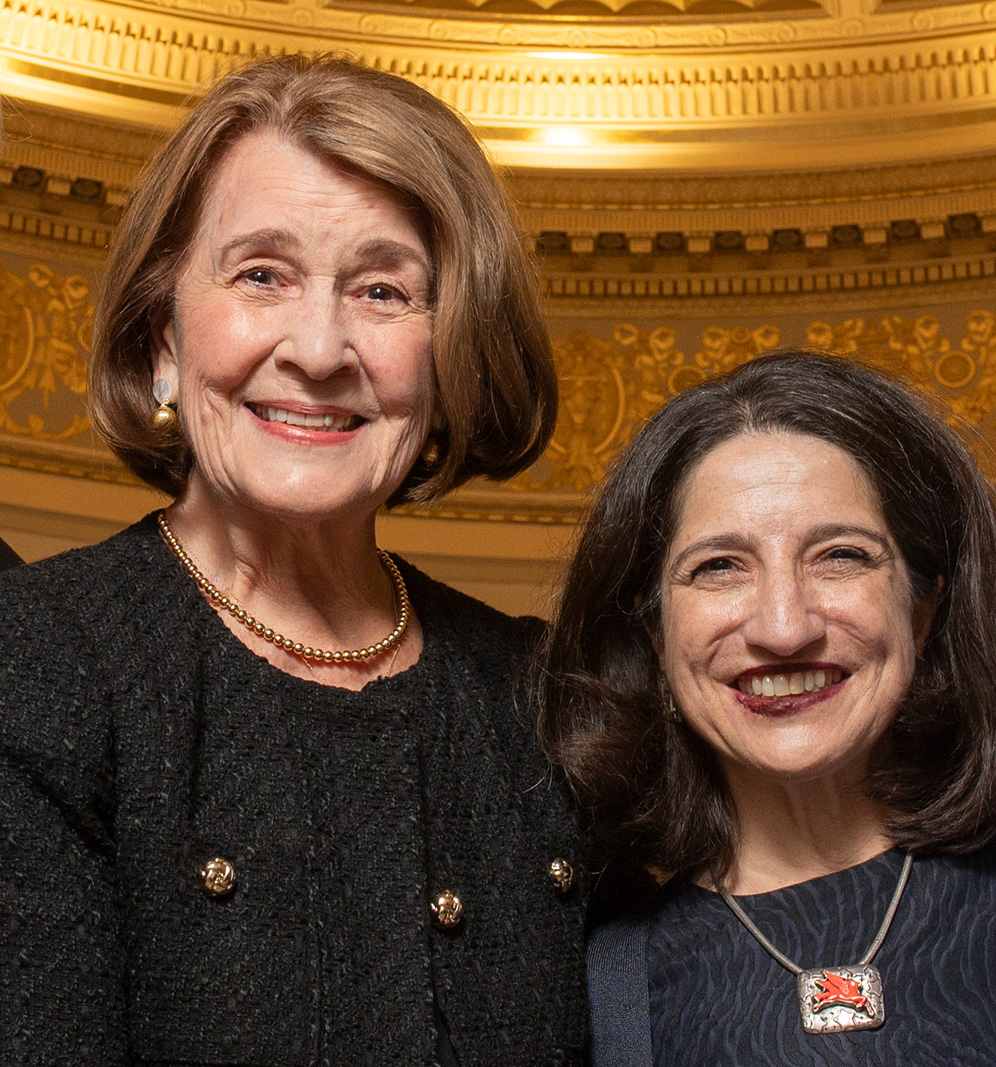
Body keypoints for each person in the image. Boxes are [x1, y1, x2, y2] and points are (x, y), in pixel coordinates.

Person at [0, 54, 586, 1065]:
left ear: (450, 362)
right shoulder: (42, 658)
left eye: (382, 289)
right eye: (261, 273)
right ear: (161, 340)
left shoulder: (537, 699)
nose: (320, 346)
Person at [537, 351, 996, 1066]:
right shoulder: (599, 988)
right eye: (718, 566)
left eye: (840, 555)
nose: (783, 628)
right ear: (655, 631)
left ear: (923, 604)